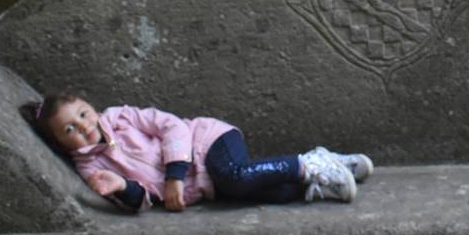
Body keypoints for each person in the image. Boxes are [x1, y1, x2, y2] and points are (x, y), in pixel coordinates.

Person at [24, 93, 372, 211]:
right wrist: (121, 189)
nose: (84, 126)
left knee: (234, 176)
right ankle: (324, 169)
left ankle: (309, 164)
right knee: (274, 193)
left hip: (207, 142)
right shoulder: (91, 168)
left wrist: (175, 174)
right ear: (60, 142)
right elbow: (142, 201)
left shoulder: (120, 118)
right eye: (70, 128)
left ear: (91, 107)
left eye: (83, 114)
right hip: (204, 186)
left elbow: (172, 126)